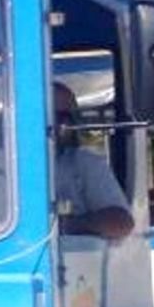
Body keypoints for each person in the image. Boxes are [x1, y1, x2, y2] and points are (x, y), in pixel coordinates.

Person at [53, 82, 135, 240]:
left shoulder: (83, 163)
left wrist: (68, 225)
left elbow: (121, 223)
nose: (63, 124)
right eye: (55, 116)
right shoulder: (3, 166)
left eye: (68, 116)